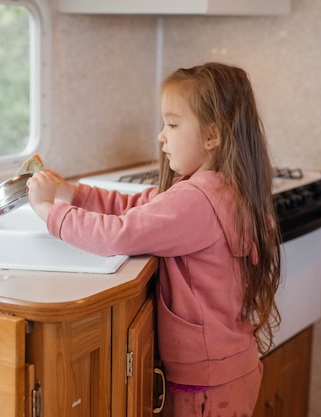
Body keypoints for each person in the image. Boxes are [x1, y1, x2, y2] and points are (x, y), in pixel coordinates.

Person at [26, 62, 281, 417]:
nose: (162, 135)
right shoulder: (222, 187)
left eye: (173, 124)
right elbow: (137, 206)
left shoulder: (196, 200)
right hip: (228, 371)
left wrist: (47, 211)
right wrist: (73, 193)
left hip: (206, 387)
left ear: (212, 136)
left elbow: (119, 233)